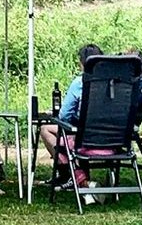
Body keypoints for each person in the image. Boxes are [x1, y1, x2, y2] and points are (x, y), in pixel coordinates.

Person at [40, 43, 102, 188]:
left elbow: (64, 116)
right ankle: (77, 177)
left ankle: (71, 174)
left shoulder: (80, 83)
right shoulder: (116, 82)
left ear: (82, 63)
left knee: (45, 129)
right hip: (113, 139)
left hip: (84, 136)